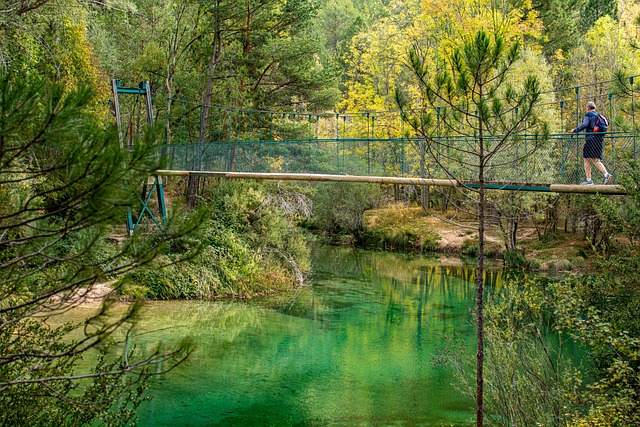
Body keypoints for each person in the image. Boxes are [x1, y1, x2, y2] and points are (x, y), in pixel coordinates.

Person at [571, 101, 613, 185]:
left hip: (590, 140)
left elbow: (584, 124)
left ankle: (589, 180)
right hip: (599, 140)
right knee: (596, 160)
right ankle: (606, 174)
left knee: (586, 159)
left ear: (587, 108)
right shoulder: (599, 116)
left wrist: (575, 130)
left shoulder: (588, 115)